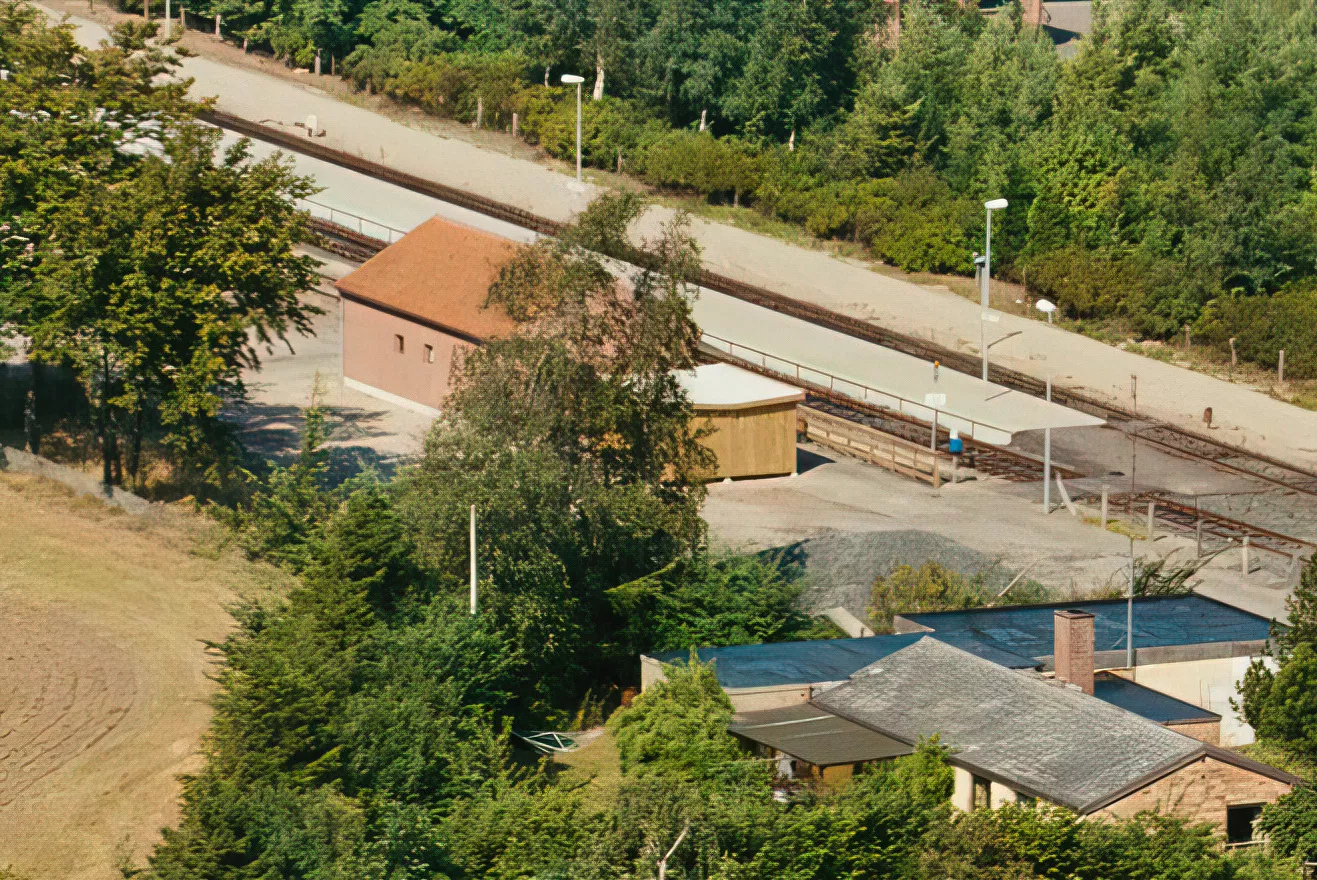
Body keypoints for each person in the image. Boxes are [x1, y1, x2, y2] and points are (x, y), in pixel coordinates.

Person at [23, 389, 40, 456]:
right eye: (28, 393)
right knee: (27, 432)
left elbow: (34, 410)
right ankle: (27, 447)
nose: (29, 394)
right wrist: (26, 412)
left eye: (31, 393)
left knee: (33, 434)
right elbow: (26, 410)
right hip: (28, 419)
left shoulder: (34, 402)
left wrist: (31, 415)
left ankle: (32, 449)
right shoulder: (27, 401)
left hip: (33, 420)